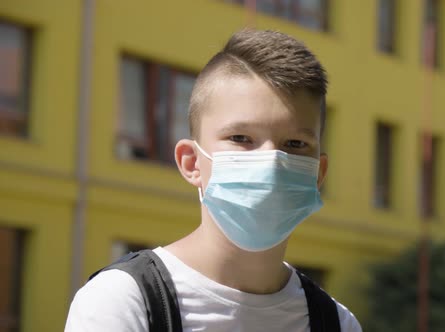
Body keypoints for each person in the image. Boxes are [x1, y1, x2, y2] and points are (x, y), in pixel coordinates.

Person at [65, 29, 362, 331]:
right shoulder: (123, 302)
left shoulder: (337, 323)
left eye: (295, 144)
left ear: (318, 173)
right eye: (241, 138)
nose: (272, 162)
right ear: (191, 162)